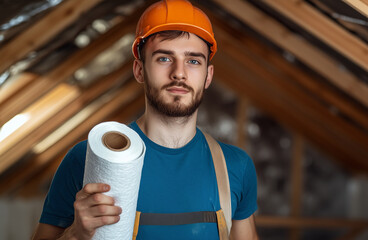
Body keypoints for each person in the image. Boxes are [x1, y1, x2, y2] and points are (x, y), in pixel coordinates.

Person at [32, 0, 258, 239]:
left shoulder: (236, 166)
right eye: (164, 58)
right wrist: (76, 234)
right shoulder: (87, 160)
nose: (179, 73)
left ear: (208, 76)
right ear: (139, 70)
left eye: (193, 61)